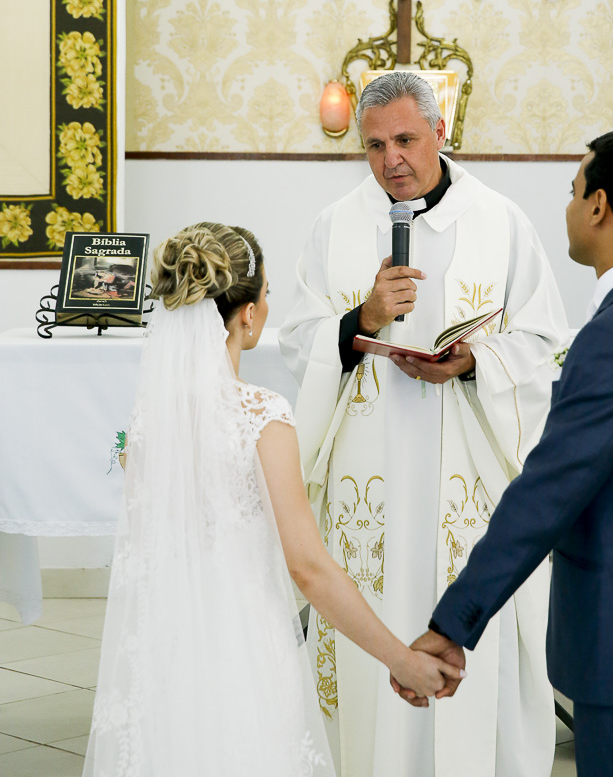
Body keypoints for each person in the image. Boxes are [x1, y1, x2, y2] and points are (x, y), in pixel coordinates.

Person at [410, 130, 613, 777]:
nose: (566, 208)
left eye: (572, 191)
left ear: (599, 206)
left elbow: (547, 495)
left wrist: (453, 623)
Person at [84, 221, 461, 777]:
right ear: (250, 314)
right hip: (243, 656)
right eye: (266, 293)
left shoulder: (146, 422)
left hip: (162, 657)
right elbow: (309, 568)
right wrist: (400, 659)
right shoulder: (262, 416)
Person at [279, 72, 568, 777]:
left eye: (406, 140)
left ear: (441, 132)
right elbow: (298, 339)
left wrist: (473, 363)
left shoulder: (500, 222)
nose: (391, 160)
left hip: (466, 471)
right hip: (367, 476)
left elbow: (543, 342)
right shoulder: (336, 225)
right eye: (374, 146)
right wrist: (363, 321)